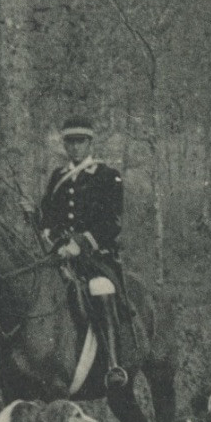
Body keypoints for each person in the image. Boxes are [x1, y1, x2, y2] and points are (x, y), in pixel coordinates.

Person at [38, 115, 129, 389]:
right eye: (70, 142)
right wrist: (39, 223)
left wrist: (80, 244)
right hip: (59, 255)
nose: (75, 148)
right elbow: (49, 219)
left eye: (80, 142)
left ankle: (113, 364)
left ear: (90, 143)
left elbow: (112, 223)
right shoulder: (57, 177)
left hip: (95, 258)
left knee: (100, 288)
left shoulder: (106, 175)